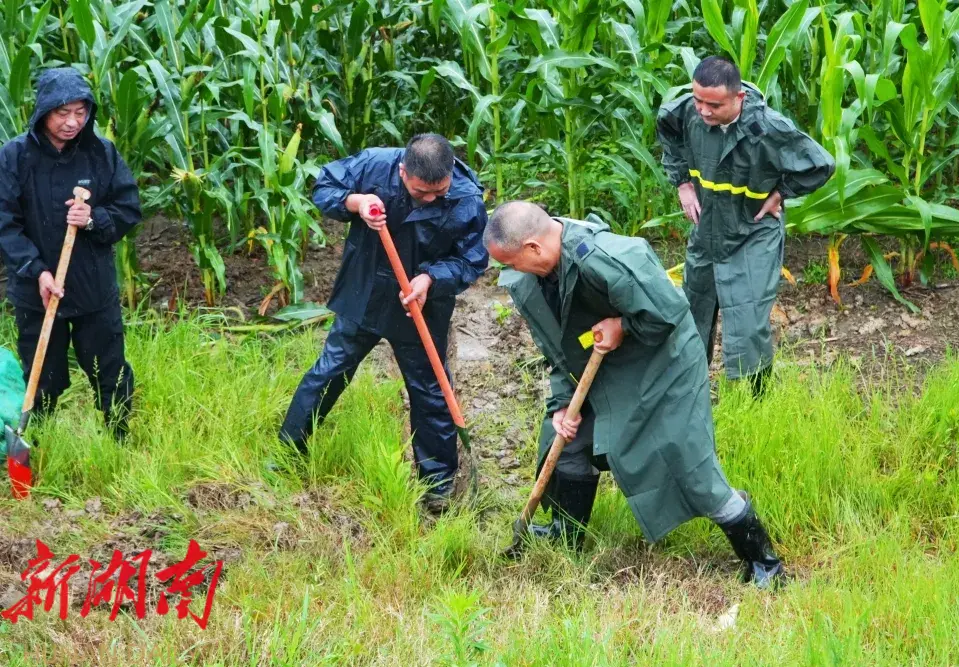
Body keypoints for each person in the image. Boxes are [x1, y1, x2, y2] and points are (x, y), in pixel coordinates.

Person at [486, 201, 784, 588]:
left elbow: (669, 311)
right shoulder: (537, 278)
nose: (512, 272)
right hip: (608, 367)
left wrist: (623, 326)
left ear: (533, 248)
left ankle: (763, 562)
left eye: (512, 263)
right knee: (567, 442)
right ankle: (566, 537)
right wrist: (562, 405)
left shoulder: (609, 258)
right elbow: (559, 347)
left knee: (687, 464)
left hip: (663, 367)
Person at [279, 134, 488, 512]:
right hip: (366, 292)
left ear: (451, 173)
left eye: (439, 192)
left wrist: (431, 279)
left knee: (430, 391)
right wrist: (356, 202)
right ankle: (287, 453)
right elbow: (324, 186)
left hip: (421, 307)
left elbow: (472, 259)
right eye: (421, 191)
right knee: (329, 371)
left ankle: (437, 485)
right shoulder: (374, 165)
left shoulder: (467, 198)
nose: (431, 199)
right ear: (402, 171)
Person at [656, 56, 834, 396]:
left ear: (739, 98)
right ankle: (688, 390)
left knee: (749, 319)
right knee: (694, 310)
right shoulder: (687, 112)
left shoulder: (768, 128)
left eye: (714, 105)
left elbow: (820, 164)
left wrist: (781, 193)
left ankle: (754, 399)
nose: (703, 111)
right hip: (708, 228)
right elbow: (666, 127)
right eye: (698, 100)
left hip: (753, 229)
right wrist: (682, 183)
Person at [0, 67, 140, 441]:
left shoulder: (102, 153)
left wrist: (93, 218)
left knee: (109, 369)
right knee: (42, 375)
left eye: (80, 112)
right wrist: (36, 271)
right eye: (62, 113)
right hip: (37, 290)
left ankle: (118, 438)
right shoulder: (14, 156)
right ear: (44, 111)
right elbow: (5, 223)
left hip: (92, 286)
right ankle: (40, 440)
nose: (72, 122)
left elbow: (128, 208)